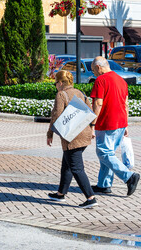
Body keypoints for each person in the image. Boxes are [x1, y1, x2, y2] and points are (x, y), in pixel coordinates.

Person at [46, 70, 97, 209]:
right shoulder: (79, 92)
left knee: (76, 168)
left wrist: (49, 133)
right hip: (84, 132)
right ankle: (60, 193)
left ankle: (90, 197)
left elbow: (56, 116)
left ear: (61, 83)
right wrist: (92, 128)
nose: (55, 85)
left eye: (56, 83)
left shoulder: (61, 94)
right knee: (67, 164)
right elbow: (90, 110)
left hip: (72, 136)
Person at [90, 56, 140, 196]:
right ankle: (104, 184)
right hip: (120, 122)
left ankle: (129, 177)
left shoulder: (101, 80)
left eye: (94, 70)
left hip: (106, 122)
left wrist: (92, 123)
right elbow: (125, 104)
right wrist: (126, 125)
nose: (94, 73)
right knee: (109, 153)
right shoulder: (121, 81)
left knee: (103, 153)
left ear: (99, 67)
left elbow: (98, 103)